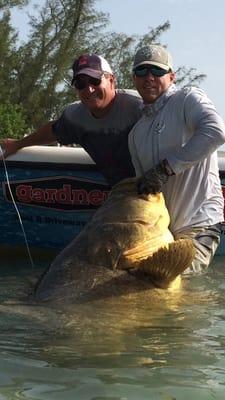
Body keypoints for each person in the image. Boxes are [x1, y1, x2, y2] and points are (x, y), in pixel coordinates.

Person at [128, 44, 225, 274]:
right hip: (163, 231)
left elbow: (216, 131)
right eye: (142, 71)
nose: (149, 77)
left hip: (200, 222)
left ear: (172, 76)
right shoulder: (136, 134)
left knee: (176, 282)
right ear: (133, 78)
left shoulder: (187, 98)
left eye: (157, 71)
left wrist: (165, 168)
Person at [1, 54, 142, 186]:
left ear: (111, 80)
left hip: (156, 188)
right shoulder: (75, 117)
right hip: (123, 191)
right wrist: (18, 144)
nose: (89, 89)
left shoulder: (139, 106)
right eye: (81, 84)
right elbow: (51, 131)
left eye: (95, 80)